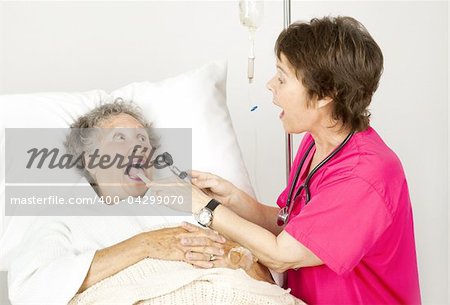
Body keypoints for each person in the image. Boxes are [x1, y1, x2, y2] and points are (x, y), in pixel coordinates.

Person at [188, 16, 421, 304]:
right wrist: (235, 200)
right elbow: (296, 228)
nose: (270, 85)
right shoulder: (316, 143)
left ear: (324, 94)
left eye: (282, 77)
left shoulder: (366, 176)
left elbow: (282, 254)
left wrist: (206, 209)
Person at [7, 101, 279, 305]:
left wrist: (238, 260)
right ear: (90, 158)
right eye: (120, 138)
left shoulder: (194, 205)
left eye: (142, 139)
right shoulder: (62, 216)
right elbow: (30, 291)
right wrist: (145, 245)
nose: (138, 147)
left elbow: (267, 282)